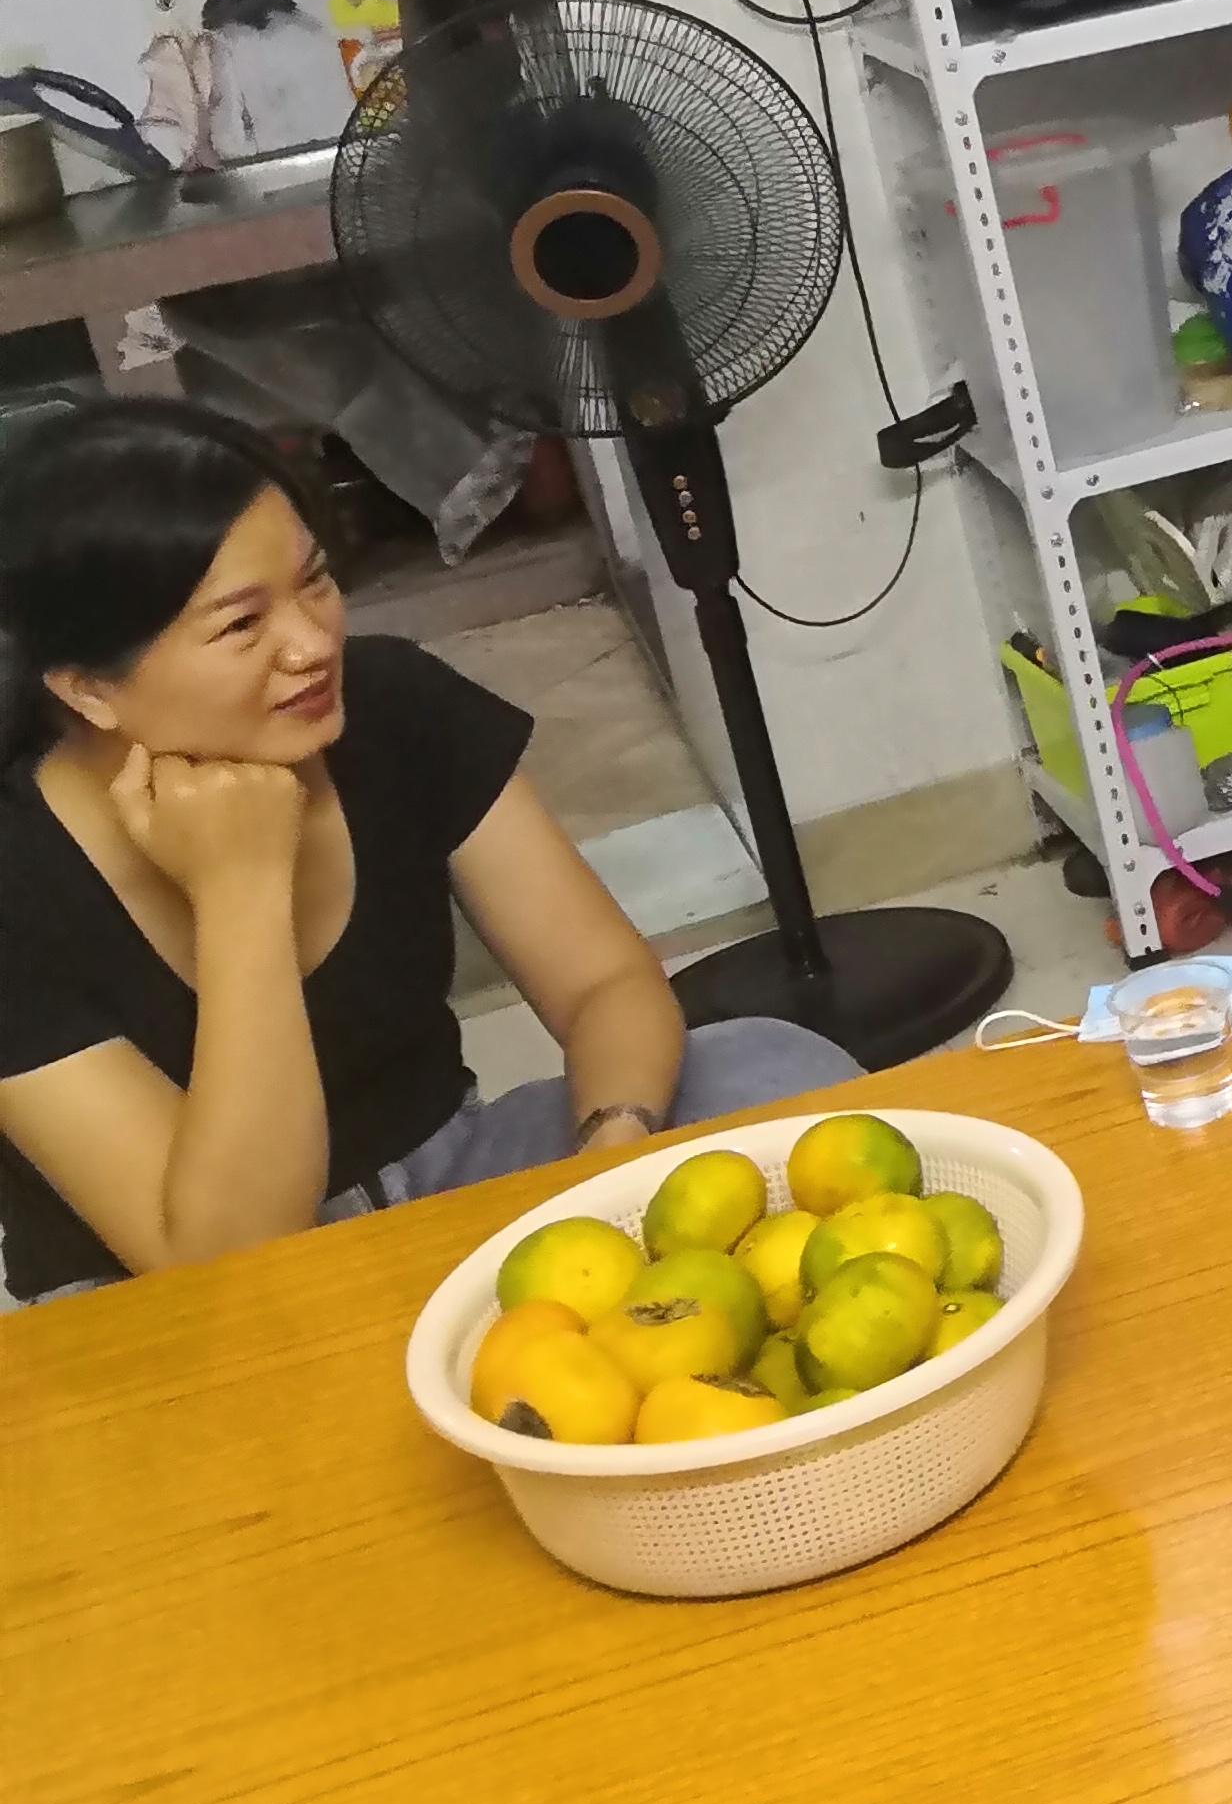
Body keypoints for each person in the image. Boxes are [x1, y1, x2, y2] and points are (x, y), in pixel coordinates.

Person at [0, 400, 846, 1300]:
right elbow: (228, 1257)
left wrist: (612, 1155)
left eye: (315, 581)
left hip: (449, 1174)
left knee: (767, 1069)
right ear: (89, 690)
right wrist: (241, 887)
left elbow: (603, 983)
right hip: (170, 1295)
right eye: (241, 625)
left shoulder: (393, 705)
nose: (313, 644)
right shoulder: (16, 878)